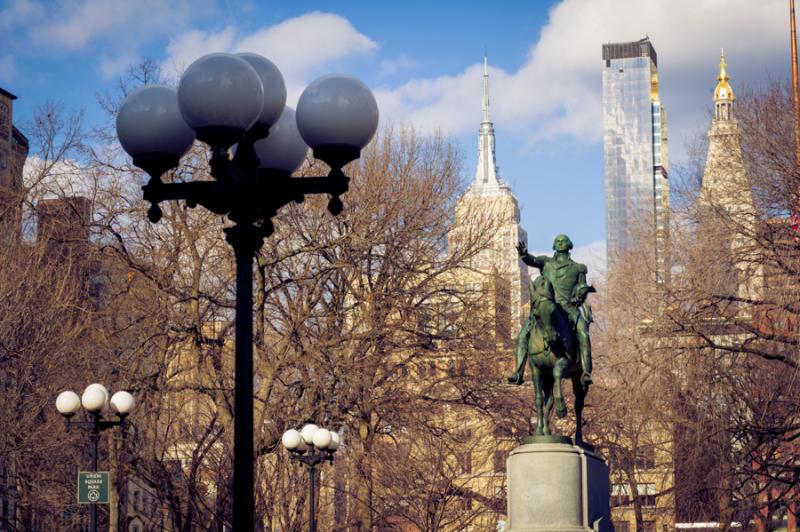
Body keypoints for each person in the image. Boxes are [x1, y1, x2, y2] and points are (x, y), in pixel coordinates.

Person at [509, 234, 594, 386]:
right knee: (523, 335)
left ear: (570, 245)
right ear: (554, 246)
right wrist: (523, 254)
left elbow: (582, 286)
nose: (560, 243)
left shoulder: (578, 268)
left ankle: (586, 371)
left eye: (564, 241)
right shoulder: (545, 263)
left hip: (568, 308)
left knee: (583, 332)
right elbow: (531, 260)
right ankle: (518, 372)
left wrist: (581, 294)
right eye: (557, 241)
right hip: (546, 307)